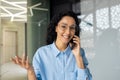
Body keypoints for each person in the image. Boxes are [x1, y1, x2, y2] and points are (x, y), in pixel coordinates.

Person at [11, 11, 92, 80]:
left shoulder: (80, 53)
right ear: (56, 28)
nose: (68, 32)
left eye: (72, 28)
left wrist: (78, 57)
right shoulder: (41, 53)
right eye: (63, 26)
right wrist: (30, 70)